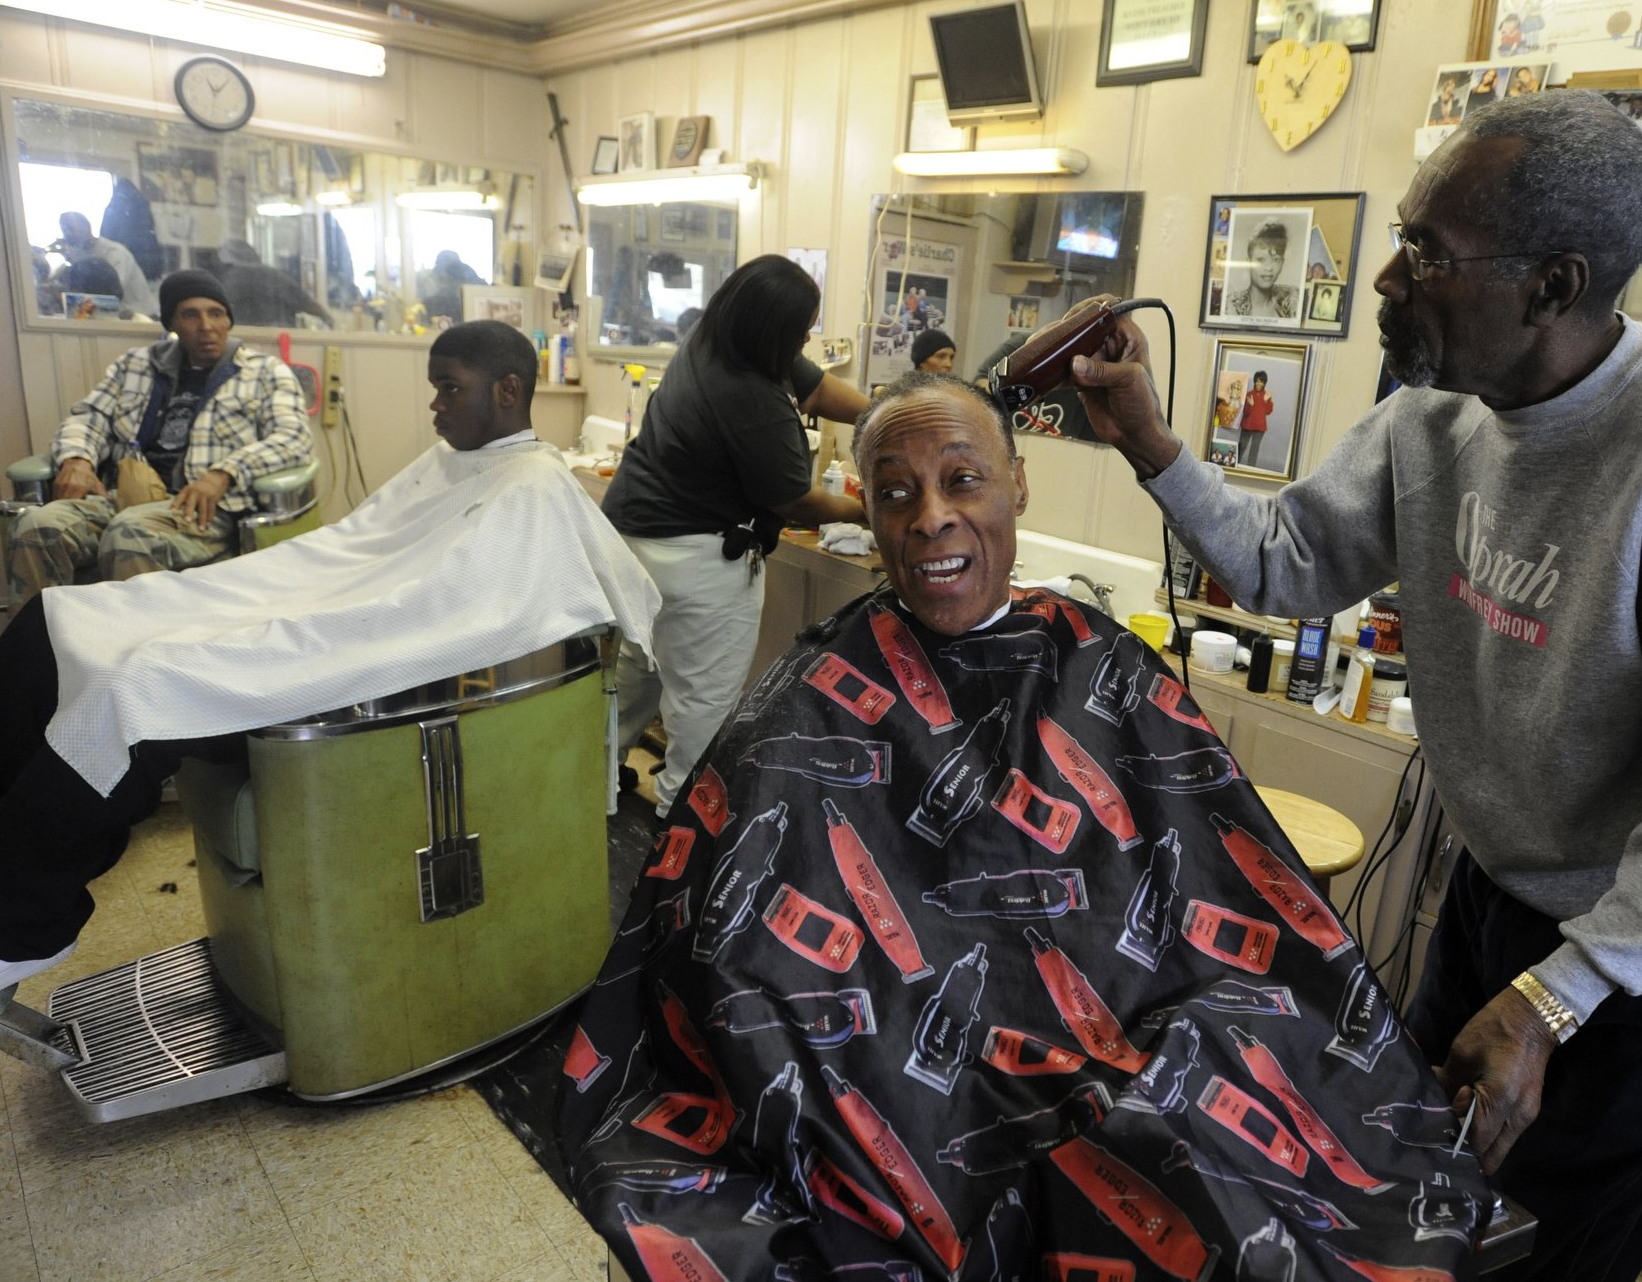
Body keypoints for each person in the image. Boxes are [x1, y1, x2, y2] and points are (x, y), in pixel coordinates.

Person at [1069, 89, 1642, 1282]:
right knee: (1420, 1167)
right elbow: (1284, 562)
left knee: (1554, 1234)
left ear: (1552, 286)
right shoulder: (1431, 416)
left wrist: (1555, 1002)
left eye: (1427, 253)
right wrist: (1149, 442)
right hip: (1504, 882)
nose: (1388, 277)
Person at [554, 371, 1496, 1281]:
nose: (929, 517)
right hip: (890, 1053)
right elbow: (731, 934)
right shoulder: (811, 698)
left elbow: (1206, 876)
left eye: (962, 478)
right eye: (895, 493)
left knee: (1200, 1128)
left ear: (1018, 483)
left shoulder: (1102, 662)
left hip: (1123, 1017)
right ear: (873, 516)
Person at [0, 321, 661, 994]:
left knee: (135, 684)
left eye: (448, 390)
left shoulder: (534, 488)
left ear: (509, 390)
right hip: (325, 600)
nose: (435, 407)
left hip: (351, 665)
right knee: (59, 619)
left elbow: (462, 618)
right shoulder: (453, 460)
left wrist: (328, 620)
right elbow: (353, 546)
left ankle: (20, 925)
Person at [603, 254, 869, 809]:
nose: (803, 342)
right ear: (772, 331)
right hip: (696, 559)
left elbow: (817, 389)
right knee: (703, 703)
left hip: (632, 539)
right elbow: (792, 499)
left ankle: (593, 779)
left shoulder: (713, 337)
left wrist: (886, 415)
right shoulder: (749, 394)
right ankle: (678, 825)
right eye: (799, 332)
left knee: (637, 673)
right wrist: (860, 511)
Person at [7, 270, 314, 607]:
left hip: (202, 511)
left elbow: (293, 437)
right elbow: (89, 417)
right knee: (35, 527)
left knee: (130, 534)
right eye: (190, 315)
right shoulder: (136, 365)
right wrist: (77, 459)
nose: (206, 326)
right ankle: (39, 653)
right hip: (123, 496)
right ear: (172, 323)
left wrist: (224, 473)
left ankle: (136, 655)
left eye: (216, 313)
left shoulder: (264, 372)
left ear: (229, 320)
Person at [49, 212, 156, 318]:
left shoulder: (115, 252)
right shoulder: (79, 254)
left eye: (70, 228)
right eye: (64, 230)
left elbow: (110, 294)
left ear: (86, 227)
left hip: (140, 316)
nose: (67, 234)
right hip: (110, 315)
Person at [214, 238, 333, 328]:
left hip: (241, 337)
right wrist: (329, 321)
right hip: (278, 338)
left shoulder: (227, 280)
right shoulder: (270, 275)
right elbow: (305, 302)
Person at [1224, 218, 1298, 321]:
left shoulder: (1292, 299)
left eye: (1276, 260)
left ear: (1282, 262)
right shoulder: (1230, 306)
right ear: (1248, 262)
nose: (1268, 268)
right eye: (1261, 260)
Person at [1239, 368, 1275, 467]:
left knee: (1254, 451)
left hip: (1259, 429)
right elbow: (1245, 413)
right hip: (1247, 427)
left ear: (1264, 383)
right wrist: (1250, 405)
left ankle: (1250, 469)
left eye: (1261, 382)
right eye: (1257, 381)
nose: (1259, 384)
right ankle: (1235, 466)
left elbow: (1268, 412)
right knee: (1241, 447)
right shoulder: (1249, 395)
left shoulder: (1266, 396)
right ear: (1254, 382)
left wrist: (1266, 401)